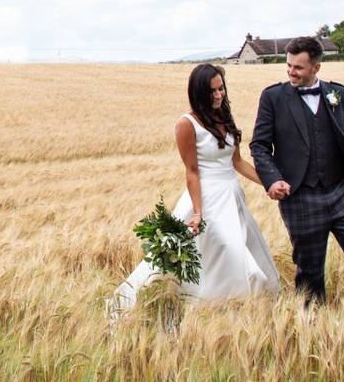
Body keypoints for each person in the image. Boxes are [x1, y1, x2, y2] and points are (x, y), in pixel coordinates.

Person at [250, 36, 344, 344]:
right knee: (310, 274)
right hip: (300, 196)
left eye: (298, 67)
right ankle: (315, 338)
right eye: (288, 66)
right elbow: (259, 146)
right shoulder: (273, 97)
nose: (291, 72)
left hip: (342, 193)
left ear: (316, 67)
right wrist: (272, 179)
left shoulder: (338, 94)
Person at [108, 64, 279, 313]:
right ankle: (197, 302)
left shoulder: (224, 116)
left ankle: (229, 308)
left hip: (232, 198)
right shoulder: (186, 124)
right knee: (231, 252)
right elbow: (192, 171)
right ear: (198, 92)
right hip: (206, 198)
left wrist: (270, 183)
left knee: (228, 254)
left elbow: (238, 162)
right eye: (213, 91)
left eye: (221, 89)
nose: (219, 95)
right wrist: (198, 212)